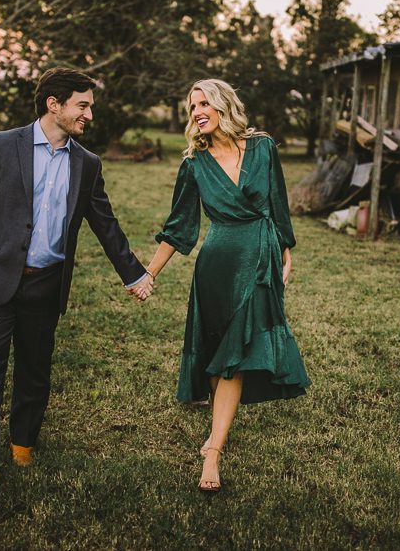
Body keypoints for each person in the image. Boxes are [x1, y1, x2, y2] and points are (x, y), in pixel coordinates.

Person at [0, 67, 154, 494]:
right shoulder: (1, 145)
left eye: (90, 106)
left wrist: (134, 274)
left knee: (35, 367)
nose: (89, 115)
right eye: (83, 105)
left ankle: (23, 443)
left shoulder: (87, 163)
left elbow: (105, 223)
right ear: (54, 104)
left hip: (46, 282)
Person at [145, 78, 311, 492]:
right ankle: (218, 428)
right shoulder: (193, 164)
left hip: (259, 259)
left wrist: (285, 250)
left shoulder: (263, 147)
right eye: (192, 107)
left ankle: (213, 452)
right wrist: (149, 273)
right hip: (217, 266)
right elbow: (178, 228)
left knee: (235, 355)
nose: (197, 112)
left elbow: (278, 204)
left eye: (203, 103)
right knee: (219, 351)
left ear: (223, 105)